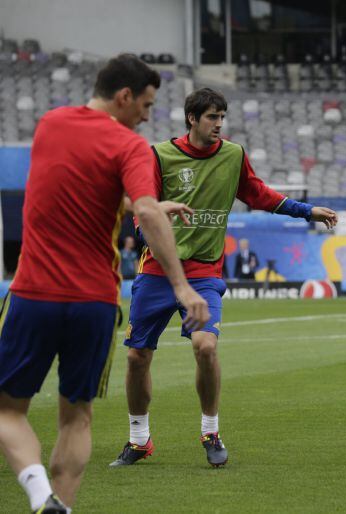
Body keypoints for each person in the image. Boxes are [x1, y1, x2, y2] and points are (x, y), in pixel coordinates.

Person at [0, 54, 209, 514]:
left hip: (33, 293)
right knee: (76, 417)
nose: (147, 116)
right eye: (147, 105)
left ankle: (38, 493)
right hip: (94, 301)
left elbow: (74, 186)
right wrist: (182, 286)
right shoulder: (130, 146)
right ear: (124, 96)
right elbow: (143, 209)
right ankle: (64, 508)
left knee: (7, 411)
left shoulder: (50, 125)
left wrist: (145, 204)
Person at [111, 88, 337, 468]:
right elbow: (143, 206)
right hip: (157, 271)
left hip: (203, 271)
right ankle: (138, 440)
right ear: (192, 119)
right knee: (136, 356)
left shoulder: (233, 155)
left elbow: (259, 194)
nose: (218, 124)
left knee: (206, 347)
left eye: (222, 117)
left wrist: (306, 211)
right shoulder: (159, 155)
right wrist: (151, 230)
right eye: (212, 117)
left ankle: (211, 431)